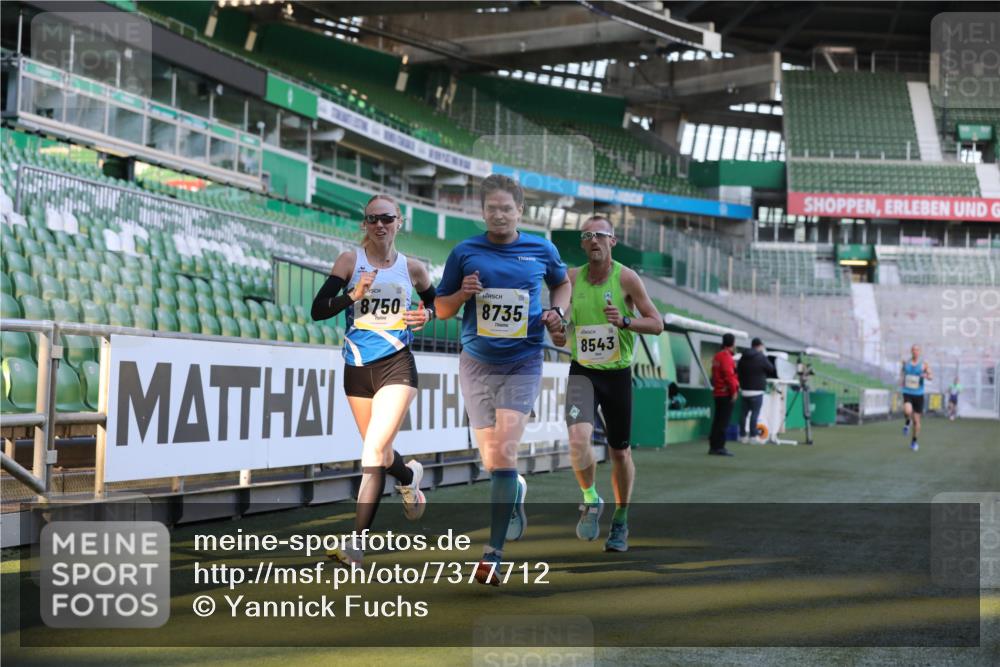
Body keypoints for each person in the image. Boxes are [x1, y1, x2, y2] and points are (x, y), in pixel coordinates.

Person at [435, 174, 570, 586]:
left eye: (506, 209)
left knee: (506, 454)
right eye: (491, 208)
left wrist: (557, 313)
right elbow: (440, 309)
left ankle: (493, 555)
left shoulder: (541, 249)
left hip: (523, 361)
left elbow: (562, 283)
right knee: (492, 462)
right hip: (475, 363)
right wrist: (462, 294)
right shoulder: (465, 252)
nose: (499, 215)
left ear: (520, 212)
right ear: (482, 211)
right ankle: (515, 493)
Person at [311, 194, 437, 567]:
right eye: (372, 219)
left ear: (399, 222)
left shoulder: (413, 269)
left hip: (397, 365)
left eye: (386, 218)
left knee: (370, 455)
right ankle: (408, 475)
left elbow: (437, 303)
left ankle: (355, 544)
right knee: (379, 453)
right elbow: (318, 310)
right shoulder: (351, 261)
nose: (379, 225)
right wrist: (353, 294)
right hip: (357, 368)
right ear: (364, 225)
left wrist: (427, 314)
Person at [563, 215, 662, 553]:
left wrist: (625, 321)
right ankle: (591, 498)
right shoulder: (571, 278)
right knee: (577, 439)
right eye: (587, 235)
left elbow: (657, 323)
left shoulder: (627, 278)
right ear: (581, 243)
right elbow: (560, 326)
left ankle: (620, 520)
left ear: (612, 241)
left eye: (600, 235)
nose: (594, 241)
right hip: (583, 371)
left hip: (617, 373)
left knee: (620, 451)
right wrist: (555, 326)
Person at [736, 337, 775, 444]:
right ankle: (753, 436)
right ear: (759, 346)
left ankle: (742, 436)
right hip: (757, 390)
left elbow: (737, 370)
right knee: (754, 414)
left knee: (743, 414)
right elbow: (771, 369)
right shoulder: (761, 357)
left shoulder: (743, 356)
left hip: (744, 390)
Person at [709, 333, 739, 456]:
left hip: (718, 392)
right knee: (723, 422)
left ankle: (713, 446)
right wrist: (734, 392)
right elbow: (729, 376)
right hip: (725, 393)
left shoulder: (717, 356)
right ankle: (719, 447)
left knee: (717, 421)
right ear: (733, 343)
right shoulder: (726, 357)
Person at [900, 344, 932, 452]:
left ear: (920, 352)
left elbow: (931, 376)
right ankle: (907, 422)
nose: (915, 352)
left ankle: (914, 441)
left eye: (917, 350)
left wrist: (926, 376)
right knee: (907, 410)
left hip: (918, 395)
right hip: (907, 392)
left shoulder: (924, 364)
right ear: (911, 351)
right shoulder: (906, 363)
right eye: (913, 350)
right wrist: (901, 382)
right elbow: (902, 373)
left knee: (917, 421)